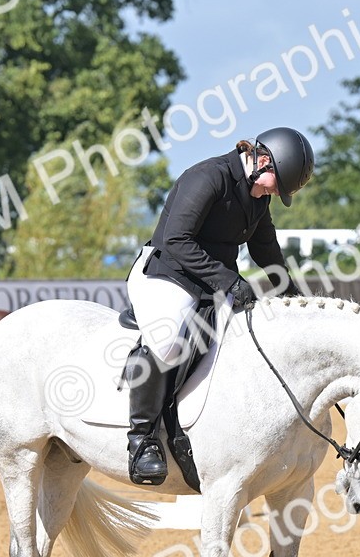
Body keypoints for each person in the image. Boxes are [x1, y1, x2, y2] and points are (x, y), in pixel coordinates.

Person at [123, 126, 314, 485]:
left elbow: (265, 248)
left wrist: (290, 293)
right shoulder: (207, 177)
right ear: (261, 160)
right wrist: (228, 281)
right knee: (167, 344)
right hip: (168, 273)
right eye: (275, 182)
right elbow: (177, 240)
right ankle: (142, 440)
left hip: (212, 281)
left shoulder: (258, 194)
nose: (273, 192)